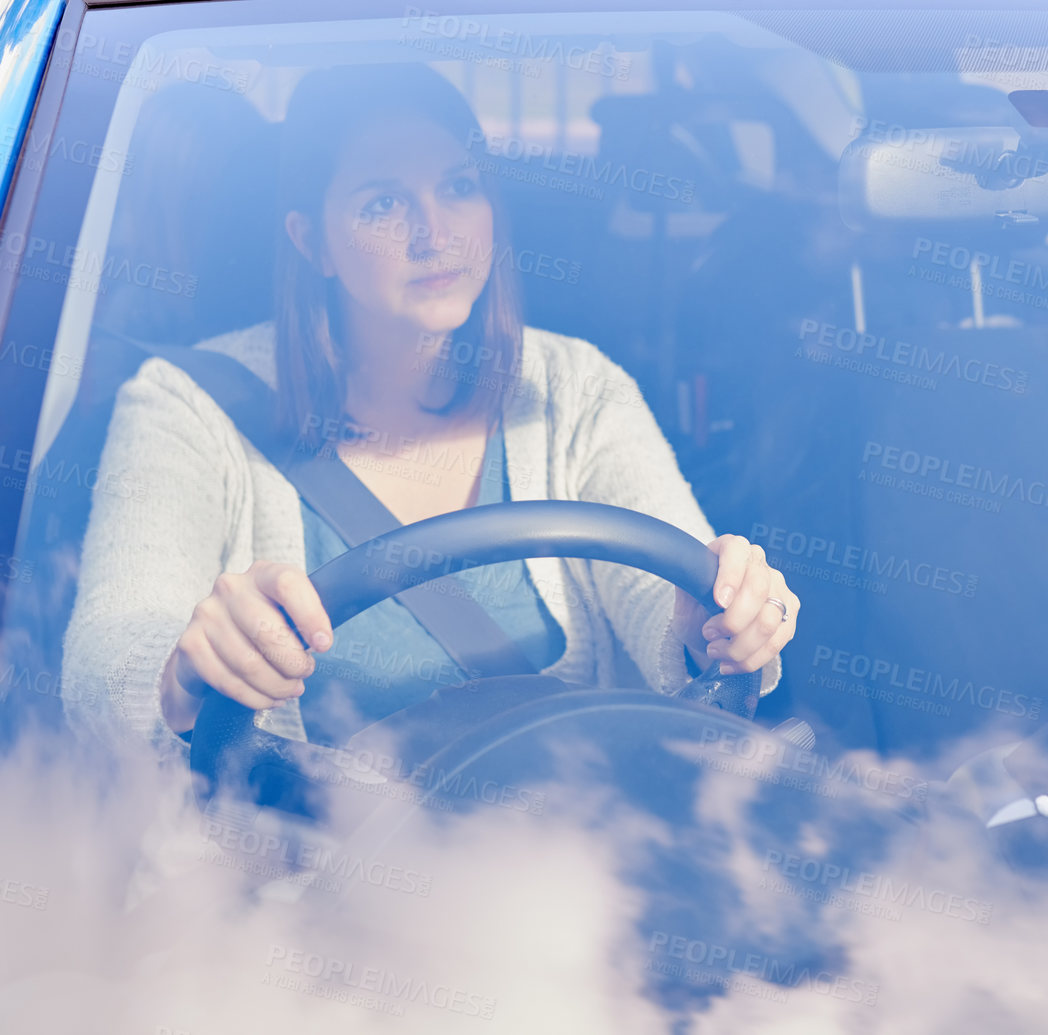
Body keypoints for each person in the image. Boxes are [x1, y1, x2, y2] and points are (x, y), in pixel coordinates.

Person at [60, 63, 798, 749]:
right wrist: (183, 672)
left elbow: (664, 590)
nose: (434, 233)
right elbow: (107, 659)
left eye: (459, 186)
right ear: (310, 239)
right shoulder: (184, 405)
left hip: (574, 869)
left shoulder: (577, 387)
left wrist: (718, 621)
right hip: (298, 875)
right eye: (384, 202)